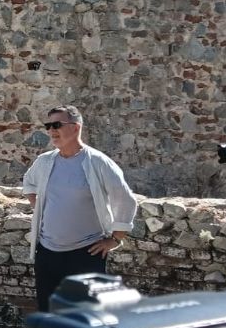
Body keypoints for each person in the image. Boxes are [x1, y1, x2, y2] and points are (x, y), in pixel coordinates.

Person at [21, 105, 139, 314]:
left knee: (85, 317)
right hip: (47, 253)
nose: (51, 131)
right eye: (48, 126)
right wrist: (38, 206)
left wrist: (115, 239)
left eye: (57, 125)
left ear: (76, 127)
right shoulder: (45, 161)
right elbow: (29, 183)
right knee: (49, 314)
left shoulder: (98, 162)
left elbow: (125, 199)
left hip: (85, 254)